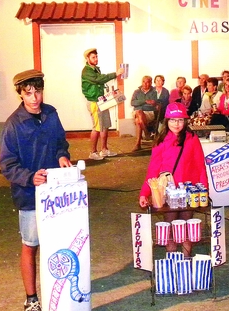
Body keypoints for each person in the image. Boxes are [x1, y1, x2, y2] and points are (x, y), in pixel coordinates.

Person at [0, 69, 72, 311]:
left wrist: (62, 155)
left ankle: (59, 287)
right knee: (31, 245)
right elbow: (7, 165)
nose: (34, 98)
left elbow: (61, 142)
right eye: (28, 93)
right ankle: (31, 299)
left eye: (38, 91)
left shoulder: (51, 114)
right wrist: (30, 177)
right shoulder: (13, 125)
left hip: (56, 193)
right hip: (29, 196)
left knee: (58, 242)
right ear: (20, 93)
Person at [139, 102, 207, 257]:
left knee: (187, 225)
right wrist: (144, 193)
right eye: (173, 120)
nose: (177, 124)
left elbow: (200, 166)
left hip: (189, 191)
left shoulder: (192, 139)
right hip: (168, 192)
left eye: (180, 120)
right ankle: (172, 260)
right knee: (170, 225)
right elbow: (153, 170)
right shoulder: (161, 141)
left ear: (185, 121)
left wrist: (204, 190)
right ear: (167, 121)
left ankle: (186, 259)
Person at [81, 48, 124, 160]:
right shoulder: (87, 71)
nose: (96, 59)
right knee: (97, 127)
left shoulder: (95, 69)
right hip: (94, 102)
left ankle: (104, 150)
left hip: (101, 101)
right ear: (87, 59)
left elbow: (100, 81)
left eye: (96, 56)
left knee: (104, 126)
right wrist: (116, 74)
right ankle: (93, 152)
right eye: (93, 57)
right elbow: (99, 80)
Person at [132, 76, 159, 151]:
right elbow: (133, 102)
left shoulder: (154, 92)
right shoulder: (136, 92)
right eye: (143, 81)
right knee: (139, 113)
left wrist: (140, 103)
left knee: (138, 120)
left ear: (150, 83)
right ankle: (147, 133)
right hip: (137, 112)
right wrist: (145, 101)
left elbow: (154, 103)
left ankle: (138, 144)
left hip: (149, 112)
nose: (145, 84)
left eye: (147, 82)